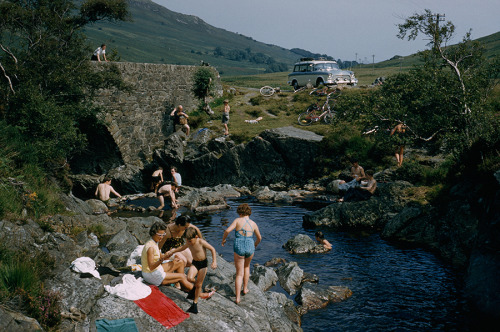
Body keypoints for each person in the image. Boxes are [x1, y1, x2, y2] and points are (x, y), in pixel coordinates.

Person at [166, 227, 217, 314]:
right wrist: (172, 251)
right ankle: (197, 287)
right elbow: (181, 248)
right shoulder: (189, 243)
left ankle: (195, 303)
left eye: (190, 241)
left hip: (203, 265)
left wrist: (214, 261)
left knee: (198, 285)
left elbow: (212, 249)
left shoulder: (200, 242)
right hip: (195, 263)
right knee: (189, 278)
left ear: (196, 237)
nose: (188, 243)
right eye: (187, 241)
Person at [221, 203, 262, 304]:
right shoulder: (253, 223)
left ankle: (238, 298)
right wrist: (255, 245)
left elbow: (227, 230)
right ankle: (245, 289)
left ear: (239, 212)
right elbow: (259, 238)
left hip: (239, 245)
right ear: (249, 212)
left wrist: (223, 240)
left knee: (239, 273)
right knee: (247, 267)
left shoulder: (237, 220)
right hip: (250, 245)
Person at [141, 222, 192, 289]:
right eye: (160, 235)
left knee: (180, 262)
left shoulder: (154, 242)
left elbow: (159, 257)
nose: (162, 237)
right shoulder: (150, 247)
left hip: (155, 270)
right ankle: (200, 294)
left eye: (163, 235)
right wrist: (162, 259)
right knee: (182, 276)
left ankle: (180, 284)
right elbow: (151, 267)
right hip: (151, 275)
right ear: (153, 233)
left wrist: (166, 256)